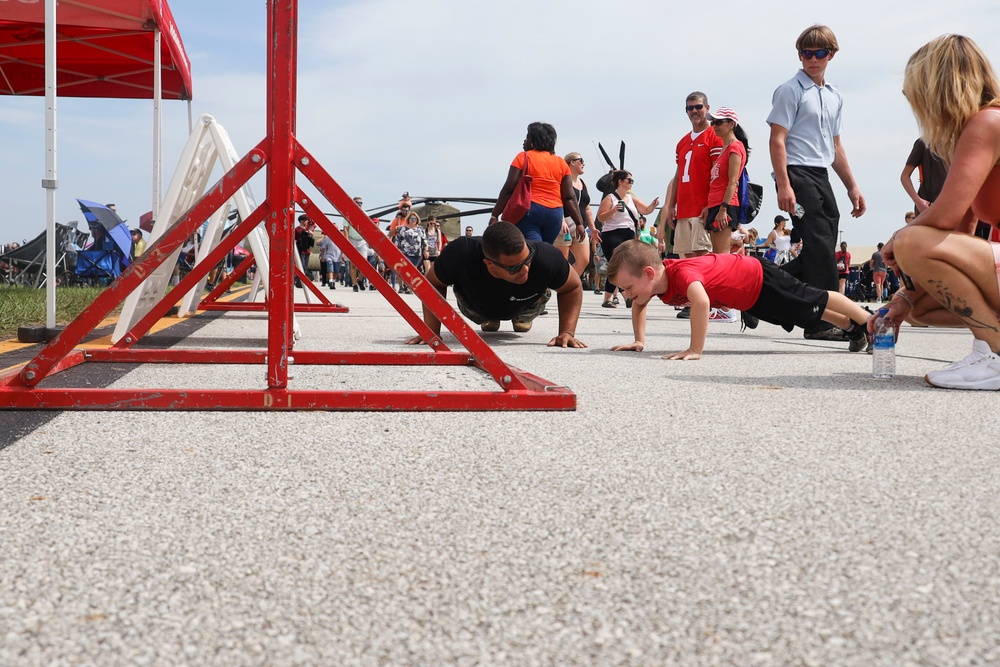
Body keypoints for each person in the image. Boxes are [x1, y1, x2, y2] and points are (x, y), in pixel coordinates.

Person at [879, 34, 1000, 390]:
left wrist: (897, 240)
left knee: (913, 242)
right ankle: (987, 349)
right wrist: (902, 298)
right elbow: (960, 227)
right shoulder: (979, 127)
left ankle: (995, 351)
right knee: (921, 308)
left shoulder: (987, 123)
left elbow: (942, 218)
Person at [607, 240, 871, 360]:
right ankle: (851, 327)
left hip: (758, 277)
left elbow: (700, 302)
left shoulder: (682, 273)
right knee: (802, 313)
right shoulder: (652, 286)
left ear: (649, 273)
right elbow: (639, 304)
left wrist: (694, 349)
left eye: (628, 288)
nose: (628, 296)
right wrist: (639, 341)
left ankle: (869, 323)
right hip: (751, 297)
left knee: (812, 297)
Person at [768, 24, 866, 341]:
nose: (812, 59)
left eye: (819, 53)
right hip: (795, 172)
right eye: (806, 53)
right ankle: (822, 323)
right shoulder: (789, 91)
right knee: (821, 246)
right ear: (800, 55)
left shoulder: (834, 96)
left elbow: (835, 146)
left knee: (820, 248)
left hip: (821, 174)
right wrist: (784, 185)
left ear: (831, 55)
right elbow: (777, 140)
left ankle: (764, 289)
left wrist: (852, 186)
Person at [403, 221, 586, 347]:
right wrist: (432, 332)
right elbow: (432, 283)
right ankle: (490, 318)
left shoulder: (545, 256)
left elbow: (572, 287)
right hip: (477, 306)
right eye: (514, 268)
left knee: (532, 295)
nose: (525, 271)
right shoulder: (461, 252)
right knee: (486, 318)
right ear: (489, 263)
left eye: (527, 260)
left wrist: (567, 333)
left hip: (526, 304)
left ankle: (521, 318)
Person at [659, 91, 724, 320]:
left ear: (707, 107)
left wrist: (711, 203)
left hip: (701, 206)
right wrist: (671, 205)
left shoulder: (714, 137)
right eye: (690, 108)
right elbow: (678, 175)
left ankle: (706, 301)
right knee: (685, 257)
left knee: (702, 255)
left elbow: (717, 173)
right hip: (684, 207)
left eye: (698, 107)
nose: (694, 112)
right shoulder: (683, 142)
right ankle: (692, 300)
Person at [489, 122, 584, 244]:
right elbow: (569, 197)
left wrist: (495, 215)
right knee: (544, 249)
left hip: (530, 211)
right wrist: (579, 223)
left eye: (528, 137)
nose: (525, 140)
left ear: (534, 140)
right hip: (555, 213)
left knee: (533, 250)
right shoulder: (560, 162)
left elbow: (508, 189)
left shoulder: (523, 157)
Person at [595, 170, 659, 308]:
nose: (631, 183)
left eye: (632, 181)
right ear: (620, 181)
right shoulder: (610, 198)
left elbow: (645, 210)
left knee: (624, 266)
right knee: (617, 265)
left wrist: (653, 205)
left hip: (628, 234)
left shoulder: (631, 198)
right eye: (629, 180)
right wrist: (613, 210)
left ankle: (608, 299)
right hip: (612, 234)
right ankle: (624, 295)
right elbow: (600, 218)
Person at [704, 107, 750, 255]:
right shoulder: (724, 148)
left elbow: (733, 182)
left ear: (731, 124)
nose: (714, 126)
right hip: (715, 204)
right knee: (716, 253)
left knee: (722, 254)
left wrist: (723, 209)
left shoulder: (735, 147)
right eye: (713, 122)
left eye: (719, 122)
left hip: (725, 205)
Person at [555, 152, 599, 276]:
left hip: (580, 227)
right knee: (562, 261)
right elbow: (557, 202)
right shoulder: (562, 181)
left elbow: (587, 208)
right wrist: (561, 221)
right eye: (581, 160)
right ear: (572, 162)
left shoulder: (583, 183)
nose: (584, 163)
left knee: (584, 259)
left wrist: (593, 228)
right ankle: (560, 284)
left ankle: (567, 284)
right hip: (565, 226)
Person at [900, 138, 948, 215]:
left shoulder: (959, 144)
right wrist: (919, 202)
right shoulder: (924, 143)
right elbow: (905, 176)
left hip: (951, 207)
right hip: (928, 208)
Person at [393, 212, 427, 294]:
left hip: (416, 254)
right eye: (412, 218)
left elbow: (424, 241)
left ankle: (408, 287)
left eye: (415, 219)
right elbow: (397, 240)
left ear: (417, 220)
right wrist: (396, 249)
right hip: (405, 252)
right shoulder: (403, 229)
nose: (413, 220)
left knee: (412, 271)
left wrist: (425, 250)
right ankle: (402, 286)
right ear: (408, 219)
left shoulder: (420, 229)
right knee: (404, 270)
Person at [294, 214, 315, 283]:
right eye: (305, 220)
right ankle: (299, 279)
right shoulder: (297, 229)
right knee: (301, 265)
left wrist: (310, 233)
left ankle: (302, 279)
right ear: (301, 221)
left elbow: (311, 236)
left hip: (307, 250)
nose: (306, 221)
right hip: (301, 250)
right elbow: (294, 239)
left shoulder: (307, 229)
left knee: (305, 266)